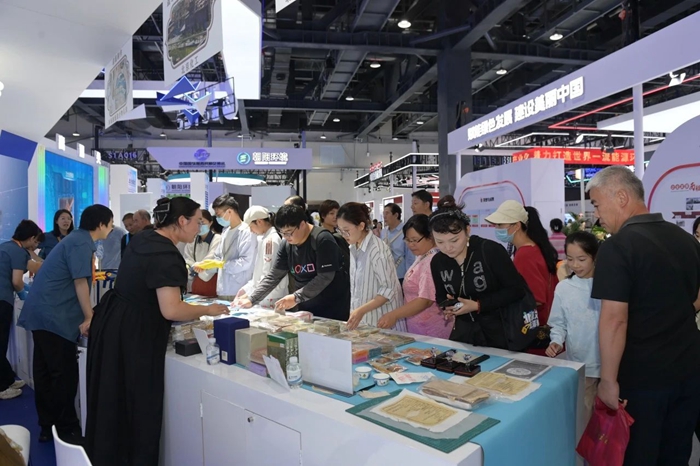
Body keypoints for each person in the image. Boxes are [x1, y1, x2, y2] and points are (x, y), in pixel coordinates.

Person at [85, 197, 229, 466]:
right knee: (137, 409)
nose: (199, 228)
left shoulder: (144, 238)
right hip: (134, 336)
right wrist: (208, 310)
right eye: (197, 222)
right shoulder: (166, 255)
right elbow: (171, 309)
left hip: (114, 324)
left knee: (112, 404)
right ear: (182, 221)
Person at [588, 165, 700, 465]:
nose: (596, 215)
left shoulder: (617, 247)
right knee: (675, 455)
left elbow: (615, 319)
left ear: (621, 197)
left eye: (597, 204)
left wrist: (608, 381)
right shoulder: (686, 239)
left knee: (639, 456)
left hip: (643, 381)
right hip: (689, 373)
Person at [18, 205, 114, 444]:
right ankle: (66, 429)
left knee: (45, 372)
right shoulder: (81, 243)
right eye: (110, 223)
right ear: (101, 224)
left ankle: (48, 426)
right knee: (62, 375)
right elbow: (80, 282)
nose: (111, 228)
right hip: (55, 317)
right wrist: (89, 316)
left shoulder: (74, 240)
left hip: (43, 314)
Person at [430, 196, 527, 349]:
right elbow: (440, 296)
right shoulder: (438, 262)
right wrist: (448, 306)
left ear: (467, 230)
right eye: (440, 242)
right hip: (464, 334)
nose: (448, 248)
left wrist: (478, 305)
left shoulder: (489, 251)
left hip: (500, 333)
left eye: (454, 240)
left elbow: (516, 290)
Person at [236, 204, 350, 321]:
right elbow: (275, 275)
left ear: (302, 224)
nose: (286, 237)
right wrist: (252, 299)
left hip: (333, 308)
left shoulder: (322, 239)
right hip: (306, 307)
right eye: (282, 233)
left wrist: (296, 297)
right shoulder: (286, 244)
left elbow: (325, 276)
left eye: (289, 232)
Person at [545, 231, 601, 422]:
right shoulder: (564, 288)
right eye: (570, 259)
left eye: (581, 259)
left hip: (609, 364)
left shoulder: (609, 286)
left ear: (595, 257)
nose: (575, 265)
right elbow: (558, 323)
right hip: (580, 363)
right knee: (585, 416)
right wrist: (556, 341)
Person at [377, 215, 451, 338]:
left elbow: (425, 300)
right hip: (420, 326)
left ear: (430, 237)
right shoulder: (423, 255)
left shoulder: (431, 261)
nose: (411, 245)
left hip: (430, 329)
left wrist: (394, 315)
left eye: (415, 240)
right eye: (408, 240)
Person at [486, 201, 558, 327]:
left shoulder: (525, 255)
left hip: (534, 326)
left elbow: (536, 298)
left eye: (500, 224)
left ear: (517, 226)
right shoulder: (533, 249)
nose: (496, 228)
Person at [337, 202, 405, 331]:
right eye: (340, 230)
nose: (343, 235)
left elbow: (388, 289)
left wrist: (361, 310)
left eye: (346, 231)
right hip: (364, 322)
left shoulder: (377, 249)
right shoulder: (353, 247)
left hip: (381, 322)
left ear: (361, 226)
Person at [0, 220, 43, 400]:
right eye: (36, 241)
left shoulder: (5, 247)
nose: (36, 246)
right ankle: (2, 388)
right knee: (1, 343)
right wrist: (24, 294)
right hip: (2, 300)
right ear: (31, 238)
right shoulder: (18, 251)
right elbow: (17, 281)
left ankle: (8, 379)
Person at [201, 194, 256, 299]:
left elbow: (245, 262)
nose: (217, 218)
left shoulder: (247, 232)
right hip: (223, 289)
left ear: (229, 211)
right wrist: (207, 265)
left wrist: (222, 264)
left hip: (239, 288)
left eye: (218, 215)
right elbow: (218, 256)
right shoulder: (225, 231)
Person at [235, 206, 289, 307]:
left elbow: (267, 274)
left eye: (251, 227)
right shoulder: (266, 239)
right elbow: (259, 274)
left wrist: (250, 295)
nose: (251, 231)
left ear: (259, 222)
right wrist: (247, 290)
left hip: (270, 296)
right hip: (265, 294)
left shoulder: (271, 240)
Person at [183, 210, 222, 296]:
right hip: (195, 281)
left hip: (213, 281)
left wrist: (196, 267)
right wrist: (195, 267)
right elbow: (188, 259)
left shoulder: (218, 239)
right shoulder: (192, 239)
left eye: (203, 222)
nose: (200, 226)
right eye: (198, 223)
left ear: (210, 223)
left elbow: (210, 259)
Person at [381, 203, 415, 284]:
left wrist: (409, 276)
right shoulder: (383, 232)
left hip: (401, 275)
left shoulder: (406, 231)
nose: (384, 216)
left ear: (396, 215)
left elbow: (410, 256)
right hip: (385, 275)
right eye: (383, 213)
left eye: (387, 213)